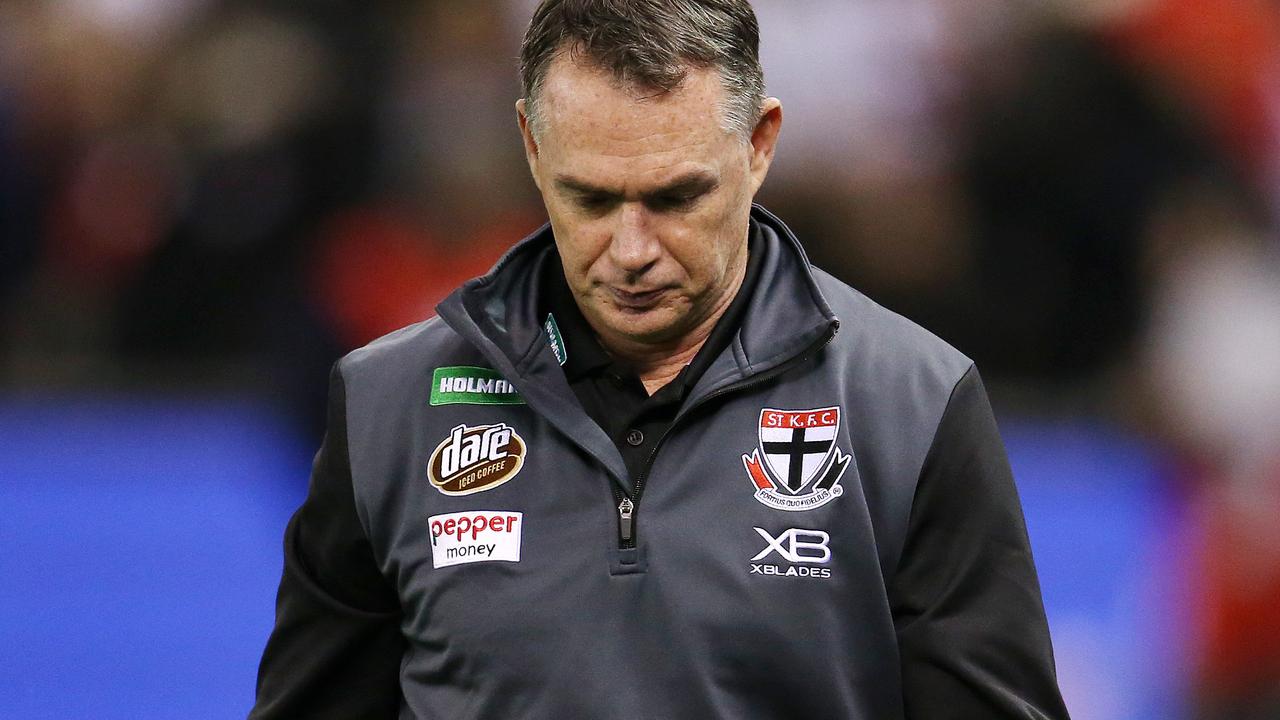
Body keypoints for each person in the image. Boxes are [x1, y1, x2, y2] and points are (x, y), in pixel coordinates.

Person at [250, 1, 1071, 718]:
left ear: (759, 146)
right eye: (592, 199)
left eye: (676, 197)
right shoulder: (387, 405)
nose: (632, 250)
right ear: (531, 149)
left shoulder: (912, 404)